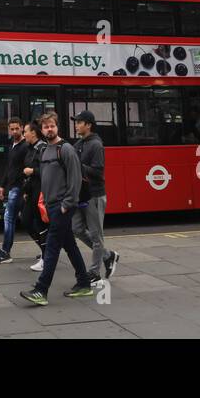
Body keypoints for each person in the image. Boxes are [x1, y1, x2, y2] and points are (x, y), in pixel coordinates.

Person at [19, 111, 93, 306]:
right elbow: (45, 178)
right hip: (51, 206)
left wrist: (66, 204)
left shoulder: (66, 149)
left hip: (62, 207)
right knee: (70, 245)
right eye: (46, 127)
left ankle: (41, 290)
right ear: (42, 130)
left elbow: (75, 180)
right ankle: (84, 282)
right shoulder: (44, 151)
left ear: (57, 127)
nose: (49, 129)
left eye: (52, 125)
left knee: (51, 248)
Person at [72, 110, 118, 282]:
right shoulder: (79, 143)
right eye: (76, 122)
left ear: (88, 125)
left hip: (94, 195)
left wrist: (79, 165)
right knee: (76, 229)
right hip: (81, 195)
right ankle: (108, 255)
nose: (76, 125)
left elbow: (98, 172)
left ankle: (94, 273)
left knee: (96, 235)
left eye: (79, 122)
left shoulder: (96, 145)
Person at [0, 117, 28, 264]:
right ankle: (45, 251)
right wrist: (2, 186)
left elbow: (26, 169)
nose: (14, 131)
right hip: (12, 187)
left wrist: (23, 189)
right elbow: (9, 168)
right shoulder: (13, 144)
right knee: (30, 221)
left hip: (18, 188)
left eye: (16, 129)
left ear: (22, 128)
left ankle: (5, 252)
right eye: (11, 129)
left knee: (9, 218)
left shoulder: (25, 147)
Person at [19, 119, 49, 272]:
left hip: (40, 191)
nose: (24, 135)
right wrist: (25, 191)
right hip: (31, 191)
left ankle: (46, 257)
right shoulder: (30, 148)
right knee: (26, 220)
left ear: (33, 133)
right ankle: (46, 251)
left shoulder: (43, 148)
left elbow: (47, 170)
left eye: (25, 131)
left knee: (40, 224)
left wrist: (33, 171)